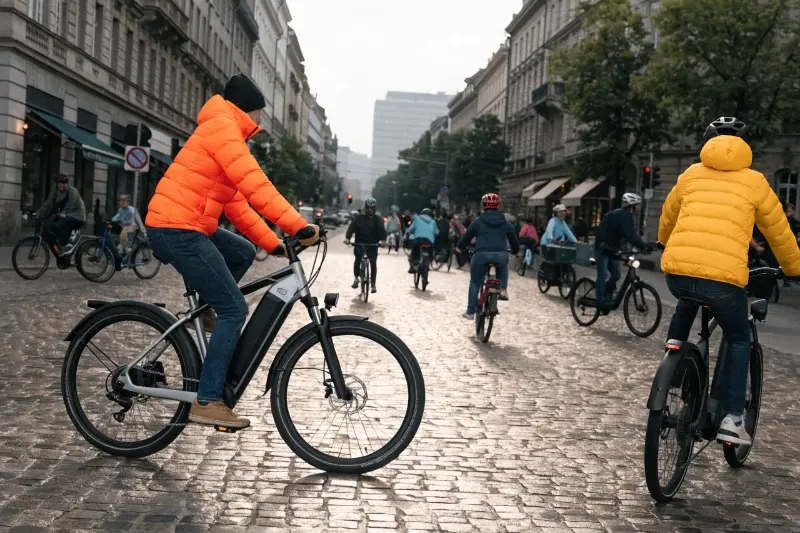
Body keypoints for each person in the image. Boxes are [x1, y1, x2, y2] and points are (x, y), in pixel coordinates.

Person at [145, 73, 320, 430]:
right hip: (176, 229)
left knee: (241, 251)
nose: (259, 122)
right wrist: (295, 224)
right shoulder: (223, 129)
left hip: (188, 225)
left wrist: (275, 243)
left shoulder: (225, 130)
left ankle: (210, 309)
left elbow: (238, 205)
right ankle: (208, 401)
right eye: (259, 114)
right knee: (235, 309)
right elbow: (255, 183)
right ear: (249, 110)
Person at [659, 116, 800, 445]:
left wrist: (663, 242)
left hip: (678, 274)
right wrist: (794, 268)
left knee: (688, 296)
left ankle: (674, 351)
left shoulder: (691, 174)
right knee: (738, 338)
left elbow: (669, 213)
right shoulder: (754, 182)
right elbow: (778, 230)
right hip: (724, 283)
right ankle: (733, 419)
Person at [456, 193, 519, 319]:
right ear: (498, 206)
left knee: (475, 281)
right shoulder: (505, 222)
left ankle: (470, 312)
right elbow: (513, 240)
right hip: (500, 254)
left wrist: (459, 247)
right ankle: (503, 289)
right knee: (503, 264)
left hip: (481, 255)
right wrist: (515, 250)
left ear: (483, 205)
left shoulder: (478, 221)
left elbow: (467, 237)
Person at [594, 193, 653, 312]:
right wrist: (644, 246)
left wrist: (641, 248)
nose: (637, 208)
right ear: (632, 206)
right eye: (636, 206)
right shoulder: (624, 216)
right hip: (602, 248)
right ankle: (600, 302)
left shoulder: (627, 216)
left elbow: (628, 236)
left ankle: (606, 291)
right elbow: (630, 235)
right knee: (603, 274)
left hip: (613, 248)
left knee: (616, 275)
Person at [35, 174, 86, 253]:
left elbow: (69, 207)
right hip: (64, 214)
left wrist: (59, 215)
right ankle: (58, 249)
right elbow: (49, 203)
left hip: (77, 216)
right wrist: (39, 213)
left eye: (63, 183)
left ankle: (67, 244)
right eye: (59, 183)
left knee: (58, 225)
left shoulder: (73, 191)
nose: (60, 185)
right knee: (48, 226)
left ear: (67, 184)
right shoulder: (55, 189)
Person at [345, 197, 386, 293]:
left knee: (373, 263)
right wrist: (348, 238)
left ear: (375, 209)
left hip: (372, 245)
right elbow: (352, 228)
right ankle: (356, 278)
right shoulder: (359, 218)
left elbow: (382, 231)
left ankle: (373, 284)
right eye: (368, 208)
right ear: (365, 208)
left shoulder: (378, 219)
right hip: (360, 243)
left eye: (372, 208)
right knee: (357, 259)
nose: (370, 210)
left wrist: (383, 241)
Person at [405, 207, 438, 273]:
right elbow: (436, 232)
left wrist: (408, 232)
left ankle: (414, 266)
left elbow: (410, 229)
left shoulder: (417, 219)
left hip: (418, 240)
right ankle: (428, 263)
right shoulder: (433, 221)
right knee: (430, 251)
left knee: (414, 251)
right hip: (429, 242)